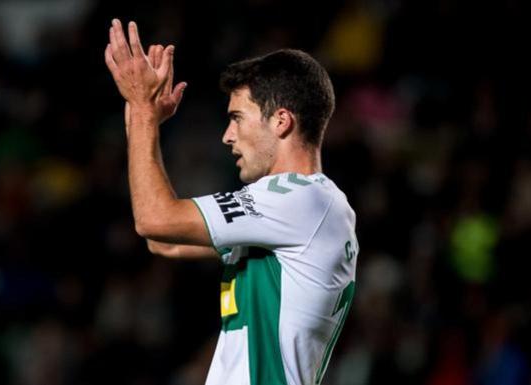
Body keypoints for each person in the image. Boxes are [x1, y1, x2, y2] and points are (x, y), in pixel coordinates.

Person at [104, 19, 359, 385]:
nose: (227, 136)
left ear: (281, 121)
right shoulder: (297, 212)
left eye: (237, 118)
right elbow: (164, 240)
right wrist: (142, 118)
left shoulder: (301, 199)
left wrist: (143, 111)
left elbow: (154, 220)